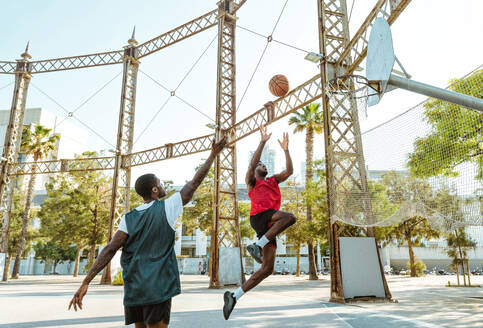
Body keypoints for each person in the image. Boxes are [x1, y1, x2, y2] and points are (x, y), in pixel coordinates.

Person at [69, 137, 227, 328]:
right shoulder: (167, 207)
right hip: (157, 287)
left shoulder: (128, 219)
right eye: (160, 184)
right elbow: (194, 183)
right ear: (154, 190)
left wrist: (86, 281)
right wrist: (213, 155)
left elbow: (110, 249)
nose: (163, 187)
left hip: (135, 288)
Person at [223, 124, 296, 320]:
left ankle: (234, 296)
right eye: (259, 164)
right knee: (290, 217)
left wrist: (286, 150)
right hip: (260, 216)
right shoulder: (252, 181)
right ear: (255, 169)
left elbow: (289, 171)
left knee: (267, 269)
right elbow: (251, 164)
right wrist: (262, 142)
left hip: (269, 225)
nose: (262, 165)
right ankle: (257, 245)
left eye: (264, 164)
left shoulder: (272, 180)